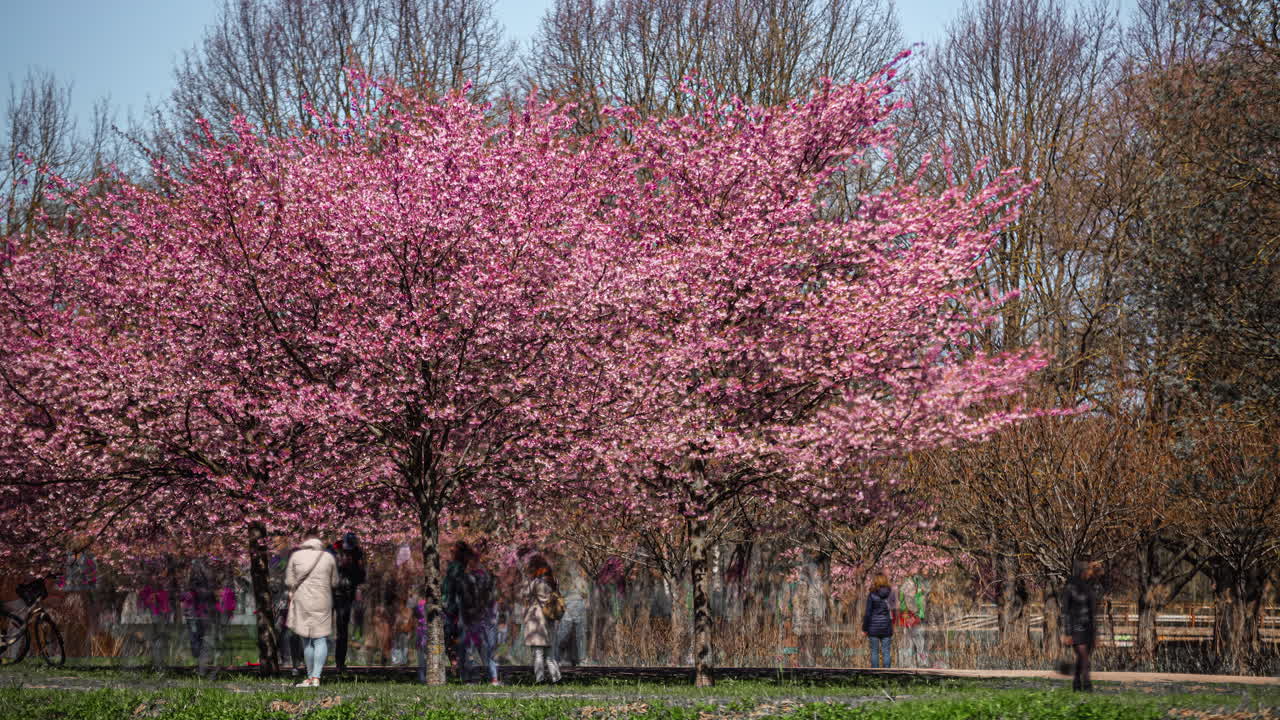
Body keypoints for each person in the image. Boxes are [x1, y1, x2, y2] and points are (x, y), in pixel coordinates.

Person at [286, 531, 339, 688]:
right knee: (320, 638)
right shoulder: (328, 557)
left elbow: (289, 581)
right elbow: (335, 581)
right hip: (322, 600)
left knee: (306, 639)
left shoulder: (295, 557)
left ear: (304, 541)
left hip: (302, 601)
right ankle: (316, 677)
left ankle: (309, 677)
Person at [458, 547, 500, 685]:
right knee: (487, 649)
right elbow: (493, 600)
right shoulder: (490, 579)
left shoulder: (466, 579)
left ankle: (472, 678)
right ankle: (493, 677)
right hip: (486, 619)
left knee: (469, 649)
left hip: (471, 619)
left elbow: (464, 600)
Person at [1060, 560, 1100, 692]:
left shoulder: (1090, 587)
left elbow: (1093, 612)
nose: (1090, 572)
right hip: (1075, 628)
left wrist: (1095, 634)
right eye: (1088, 569)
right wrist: (1067, 633)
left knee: (1082, 658)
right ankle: (1087, 686)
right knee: (1084, 658)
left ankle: (1076, 683)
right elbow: (1065, 611)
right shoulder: (1069, 587)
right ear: (1082, 571)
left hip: (1088, 627)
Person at [330, 532, 366, 673]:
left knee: (342, 629)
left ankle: (340, 662)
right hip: (334, 592)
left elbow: (361, 575)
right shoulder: (334, 552)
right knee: (334, 628)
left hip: (346, 594)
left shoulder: (357, 554)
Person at [521, 554, 561, 683]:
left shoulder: (536, 583)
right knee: (550, 655)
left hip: (537, 622)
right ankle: (556, 678)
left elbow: (525, 595)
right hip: (550, 620)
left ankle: (540, 679)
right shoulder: (554, 581)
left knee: (538, 653)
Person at [441, 541, 472, 672]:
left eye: (453, 552)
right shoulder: (456, 567)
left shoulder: (456, 568)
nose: (451, 554)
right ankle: (457, 661)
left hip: (453, 607)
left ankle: (456, 661)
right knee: (452, 636)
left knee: (451, 636)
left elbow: (454, 587)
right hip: (452, 607)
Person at [862, 573, 895, 669]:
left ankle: (875, 674)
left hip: (873, 627)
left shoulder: (872, 594)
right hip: (886, 626)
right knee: (886, 651)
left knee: (874, 652)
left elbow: (868, 613)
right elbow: (894, 610)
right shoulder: (891, 594)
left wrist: (864, 628)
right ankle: (887, 673)